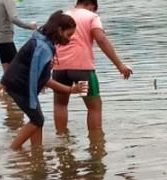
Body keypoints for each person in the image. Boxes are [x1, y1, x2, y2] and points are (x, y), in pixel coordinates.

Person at [1, 11, 86, 150]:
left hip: (17, 82)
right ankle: (13, 150)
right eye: (68, 35)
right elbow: (44, 79)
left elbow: (38, 70)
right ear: (59, 30)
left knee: (37, 119)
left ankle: (37, 150)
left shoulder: (42, 39)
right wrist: (71, 90)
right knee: (37, 119)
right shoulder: (43, 47)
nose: (69, 39)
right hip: (19, 85)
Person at [53, 0, 132, 133]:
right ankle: (96, 141)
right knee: (94, 106)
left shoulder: (62, 17)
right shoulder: (91, 16)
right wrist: (119, 64)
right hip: (82, 70)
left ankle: (61, 137)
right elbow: (101, 39)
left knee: (60, 104)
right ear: (91, 6)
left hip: (59, 68)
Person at [0, 0, 37, 73]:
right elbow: (13, 18)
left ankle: (6, 84)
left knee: (7, 71)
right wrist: (29, 26)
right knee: (17, 69)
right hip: (6, 38)